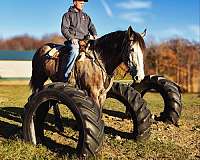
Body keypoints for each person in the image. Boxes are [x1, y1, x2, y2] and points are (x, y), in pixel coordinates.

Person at [61, 0, 98, 81]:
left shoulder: (86, 16)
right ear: (74, 2)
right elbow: (64, 29)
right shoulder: (67, 15)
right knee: (74, 50)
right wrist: (71, 38)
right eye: (81, 3)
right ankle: (67, 75)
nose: (82, 4)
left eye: (83, 3)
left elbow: (91, 26)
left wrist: (95, 34)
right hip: (74, 41)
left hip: (86, 41)